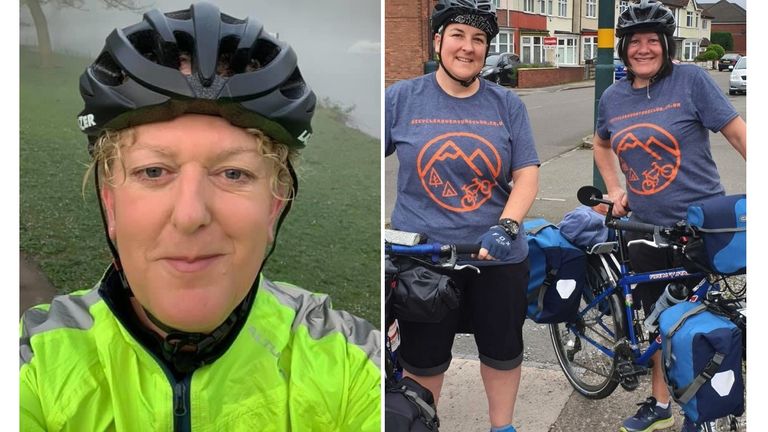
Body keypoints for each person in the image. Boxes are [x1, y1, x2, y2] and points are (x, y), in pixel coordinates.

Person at [19, 3, 380, 430]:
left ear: (274, 207)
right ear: (111, 204)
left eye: (234, 173)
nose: (190, 215)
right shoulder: (34, 365)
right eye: (153, 171)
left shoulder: (352, 362)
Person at [385, 0, 540, 430]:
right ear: (438, 41)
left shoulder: (506, 105)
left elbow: (526, 173)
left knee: (502, 351)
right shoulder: (400, 98)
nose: (467, 47)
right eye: (458, 35)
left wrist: (507, 225)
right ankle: (422, 422)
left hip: (497, 256)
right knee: (424, 360)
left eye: (478, 40)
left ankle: (501, 425)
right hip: (425, 262)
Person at [592, 1, 746, 431]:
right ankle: (660, 406)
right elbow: (603, 145)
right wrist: (615, 189)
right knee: (657, 323)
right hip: (643, 227)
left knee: (702, 324)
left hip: (697, 228)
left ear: (665, 44)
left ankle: (702, 412)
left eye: (651, 41)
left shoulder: (692, 81)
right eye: (634, 42)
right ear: (624, 49)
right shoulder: (613, 97)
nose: (643, 49)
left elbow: (737, 133)